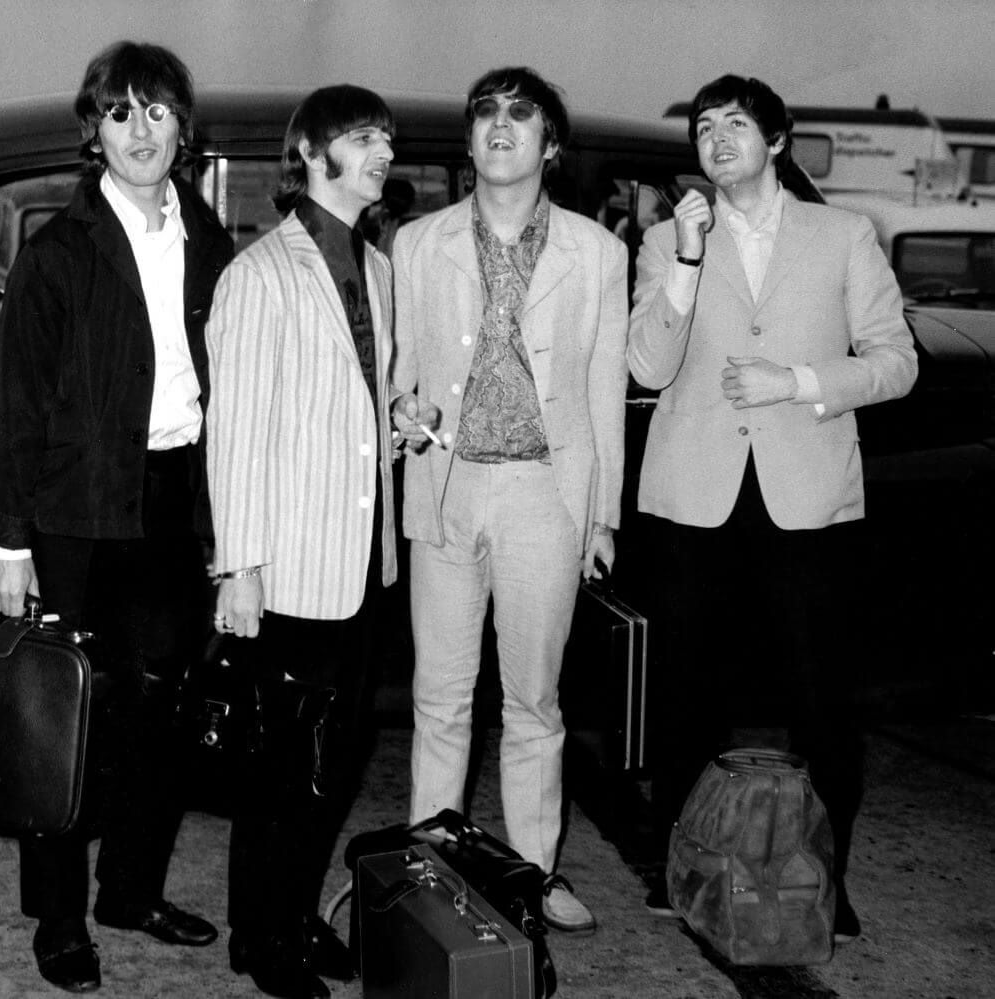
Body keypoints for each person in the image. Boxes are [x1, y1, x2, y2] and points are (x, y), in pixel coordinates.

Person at [627, 74, 918, 940]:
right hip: (695, 496)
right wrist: (682, 259)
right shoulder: (664, 238)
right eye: (704, 127)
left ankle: (824, 878)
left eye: (737, 124)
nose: (716, 138)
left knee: (821, 701)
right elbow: (645, 367)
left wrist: (796, 382)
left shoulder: (842, 234)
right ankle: (682, 871)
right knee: (685, 696)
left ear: (778, 140)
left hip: (807, 495)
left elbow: (895, 362)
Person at [0, 41, 234, 993]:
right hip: (75, 516)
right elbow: (17, 407)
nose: (141, 131)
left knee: (161, 716)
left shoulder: (210, 241)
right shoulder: (59, 252)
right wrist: (8, 539)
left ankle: (131, 889)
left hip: (173, 505)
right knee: (63, 725)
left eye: (158, 112)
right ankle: (60, 918)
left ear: (181, 129)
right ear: (96, 130)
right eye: (121, 113)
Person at [391, 66, 628, 935]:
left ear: (549, 144)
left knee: (534, 703)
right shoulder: (416, 244)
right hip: (447, 492)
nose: (501, 126)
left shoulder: (600, 252)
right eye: (486, 113)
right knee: (440, 698)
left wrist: (599, 513)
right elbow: (394, 369)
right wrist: (400, 408)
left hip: (544, 495)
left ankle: (531, 875)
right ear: (468, 140)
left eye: (521, 115)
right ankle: (427, 870)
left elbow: (604, 389)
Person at [206, 85, 422, 999]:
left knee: (331, 770)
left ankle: (292, 913)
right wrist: (239, 566)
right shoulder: (260, 274)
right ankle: (259, 937)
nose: (383, 151)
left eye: (386, 138)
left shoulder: (374, 268)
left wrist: (398, 418)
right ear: (312, 152)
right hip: (288, 570)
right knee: (277, 773)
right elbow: (238, 432)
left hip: (362, 567)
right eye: (365, 137)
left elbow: (352, 406)